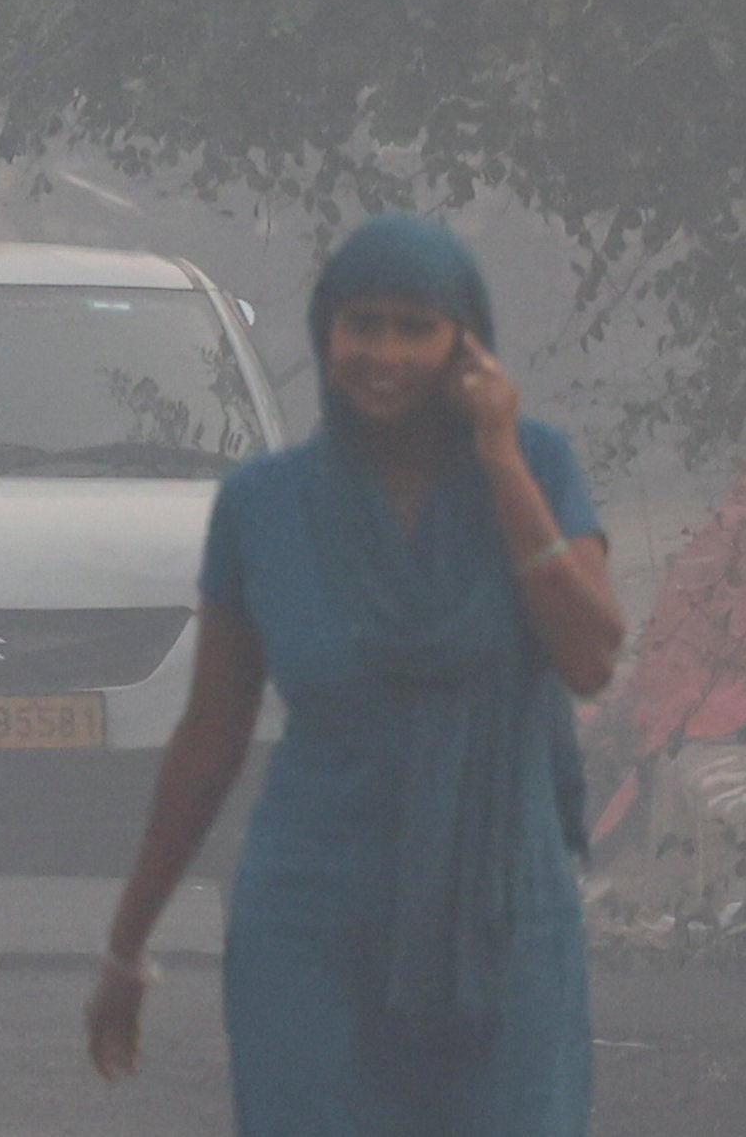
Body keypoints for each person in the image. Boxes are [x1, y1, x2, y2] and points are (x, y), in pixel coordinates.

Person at [90, 213, 624, 1131]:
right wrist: (126, 948)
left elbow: (590, 656)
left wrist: (497, 459)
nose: (384, 352)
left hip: (502, 916)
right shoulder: (263, 507)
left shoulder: (537, 465)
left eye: (416, 327)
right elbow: (212, 732)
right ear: (324, 333)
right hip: (312, 922)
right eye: (361, 324)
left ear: (468, 345)